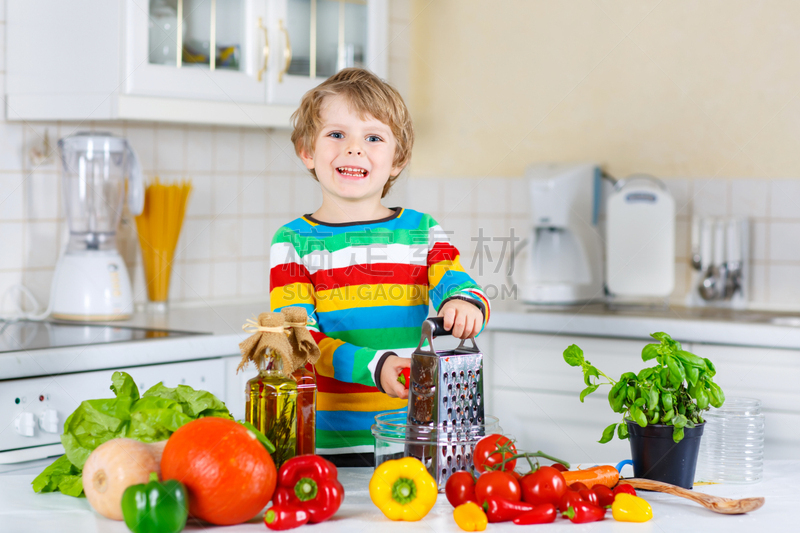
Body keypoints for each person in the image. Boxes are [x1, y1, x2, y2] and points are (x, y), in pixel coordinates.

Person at [270, 68, 491, 467]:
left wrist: (466, 303)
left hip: (406, 437)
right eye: (336, 134)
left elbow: (456, 280)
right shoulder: (293, 242)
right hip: (328, 444)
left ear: (397, 159)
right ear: (307, 150)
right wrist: (377, 366)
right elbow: (299, 340)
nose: (354, 149)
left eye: (373, 138)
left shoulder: (422, 231)